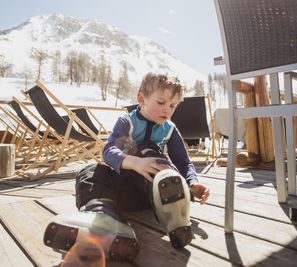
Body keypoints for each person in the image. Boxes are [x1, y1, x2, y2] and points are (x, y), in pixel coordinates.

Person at [44, 72, 210, 262]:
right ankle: (103, 218)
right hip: (127, 191)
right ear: (142, 98)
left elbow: (183, 162)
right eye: (161, 102)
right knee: (90, 172)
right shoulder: (127, 122)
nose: (167, 110)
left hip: (156, 190)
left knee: (149, 148)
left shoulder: (170, 129)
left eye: (172, 105)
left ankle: (174, 211)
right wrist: (135, 162)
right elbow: (109, 151)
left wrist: (192, 183)